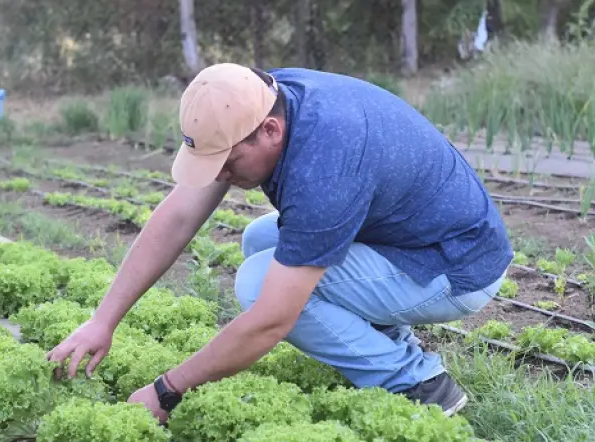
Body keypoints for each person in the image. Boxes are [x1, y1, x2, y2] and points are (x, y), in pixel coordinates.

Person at [46, 63, 513, 423]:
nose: (220, 177)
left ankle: (419, 384)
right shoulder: (265, 97)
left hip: (453, 268)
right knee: (258, 238)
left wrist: (167, 390)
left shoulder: (324, 168)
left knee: (257, 286)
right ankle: (384, 340)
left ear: (270, 131)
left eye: (227, 164)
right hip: (410, 235)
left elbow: (270, 321)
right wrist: (102, 321)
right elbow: (178, 216)